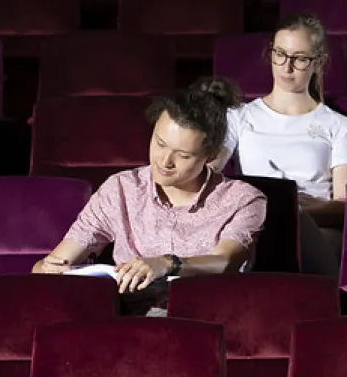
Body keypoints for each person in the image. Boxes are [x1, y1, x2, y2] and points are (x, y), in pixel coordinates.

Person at [32, 78, 267, 313]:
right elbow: (53, 262)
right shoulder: (121, 189)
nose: (165, 161)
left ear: (211, 155)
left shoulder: (243, 200)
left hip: (202, 315)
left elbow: (226, 262)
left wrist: (167, 264)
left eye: (183, 155)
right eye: (160, 143)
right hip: (126, 316)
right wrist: (47, 269)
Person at [219, 13, 347, 276]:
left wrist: (297, 210)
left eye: (299, 58)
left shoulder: (338, 125)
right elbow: (208, 173)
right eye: (280, 54)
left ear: (318, 62)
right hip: (253, 223)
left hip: (313, 227)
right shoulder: (239, 117)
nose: (287, 67)